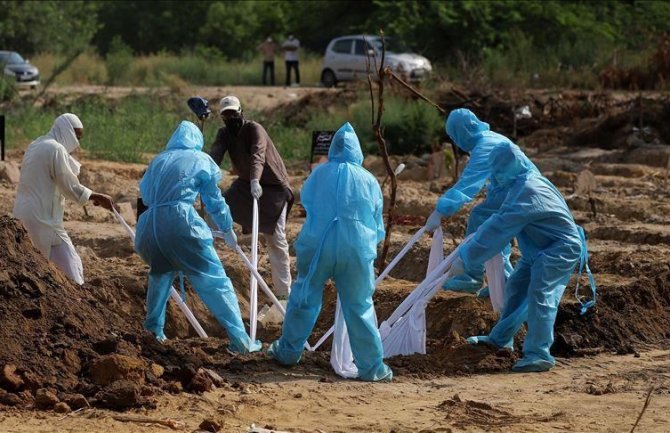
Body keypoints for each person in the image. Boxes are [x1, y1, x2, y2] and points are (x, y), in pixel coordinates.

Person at [268, 122, 393, 382]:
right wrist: (368, 242)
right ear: (358, 150)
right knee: (360, 305)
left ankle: (289, 353)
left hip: (319, 244)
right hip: (357, 247)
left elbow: (309, 204)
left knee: (304, 297)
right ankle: (372, 368)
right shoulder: (368, 179)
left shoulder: (318, 174)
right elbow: (376, 222)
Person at [452, 142, 583, 372]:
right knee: (516, 287)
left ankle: (538, 353)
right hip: (539, 248)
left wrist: (467, 257)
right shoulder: (521, 182)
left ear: (508, 168)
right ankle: (500, 339)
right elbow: (498, 218)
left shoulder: (528, 190)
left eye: (498, 172)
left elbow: (500, 225)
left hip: (560, 248)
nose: (495, 177)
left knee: (540, 294)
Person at [135, 120, 260, 352]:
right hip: (180, 223)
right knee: (216, 282)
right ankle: (241, 341)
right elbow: (214, 200)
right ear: (197, 142)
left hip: (148, 228)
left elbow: (144, 195)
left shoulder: (158, 160)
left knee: (160, 276)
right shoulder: (201, 160)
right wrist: (227, 228)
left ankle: (152, 333)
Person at [425, 108, 538, 294]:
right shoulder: (489, 138)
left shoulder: (485, 146)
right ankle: (502, 281)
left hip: (520, 192)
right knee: (494, 226)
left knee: (481, 218)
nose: (454, 142)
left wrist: (441, 210)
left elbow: (468, 184)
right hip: (516, 191)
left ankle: (471, 275)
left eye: (454, 136)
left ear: (464, 132)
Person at [12, 113, 115, 285]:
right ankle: (79, 300)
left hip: (23, 214)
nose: (77, 142)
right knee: (66, 267)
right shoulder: (55, 149)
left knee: (44, 263)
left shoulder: (36, 144)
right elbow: (69, 187)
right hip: (43, 218)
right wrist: (97, 196)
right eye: (76, 136)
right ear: (66, 130)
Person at [210, 95, 293, 298]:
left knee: (276, 239)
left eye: (234, 113)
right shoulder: (224, 134)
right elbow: (215, 155)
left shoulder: (255, 129)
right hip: (245, 186)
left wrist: (256, 180)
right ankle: (206, 273)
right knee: (213, 214)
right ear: (222, 118)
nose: (231, 118)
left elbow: (258, 154)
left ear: (241, 112)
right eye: (226, 115)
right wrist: (205, 175)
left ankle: (284, 295)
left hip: (273, 188)